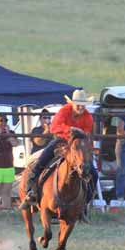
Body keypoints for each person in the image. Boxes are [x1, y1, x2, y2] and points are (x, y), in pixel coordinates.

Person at [20, 90, 98, 219]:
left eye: (83, 104)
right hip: (61, 141)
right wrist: (70, 130)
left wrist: (82, 140)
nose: (80, 107)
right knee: (40, 163)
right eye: (78, 104)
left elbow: (86, 134)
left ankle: (83, 204)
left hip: (78, 147)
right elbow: (54, 127)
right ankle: (30, 194)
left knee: (93, 173)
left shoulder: (88, 117)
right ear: (72, 104)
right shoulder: (64, 111)